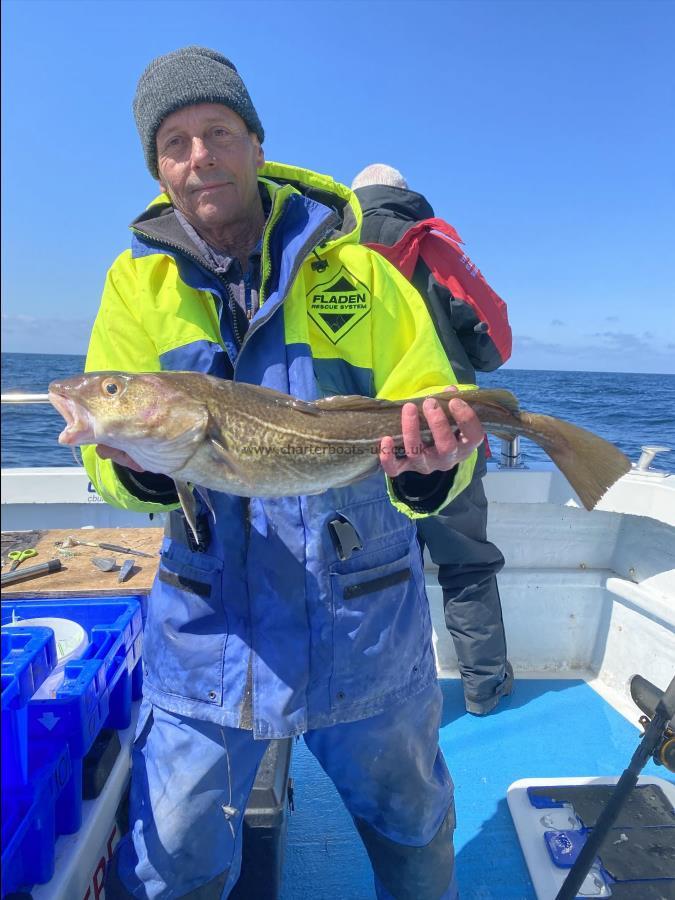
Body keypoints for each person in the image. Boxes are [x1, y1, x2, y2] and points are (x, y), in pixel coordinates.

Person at [85, 47, 485, 900]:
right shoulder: (133, 285)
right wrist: (146, 473)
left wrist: (432, 470)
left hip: (365, 623)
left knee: (413, 832)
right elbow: (108, 461)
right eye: (175, 142)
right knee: (172, 863)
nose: (199, 158)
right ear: (158, 166)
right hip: (208, 633)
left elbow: (428, 412)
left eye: (218, 132)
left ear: (258, 145)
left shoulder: (363, 273)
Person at [352, 164, 514, 716]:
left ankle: (386, 703)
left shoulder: (332, 250)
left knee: (374, 576)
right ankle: (484, 690)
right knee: (466, 567)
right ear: (408, 198)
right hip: (452, 441)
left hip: (363, 449)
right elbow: (496, 347)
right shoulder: (435, 249)